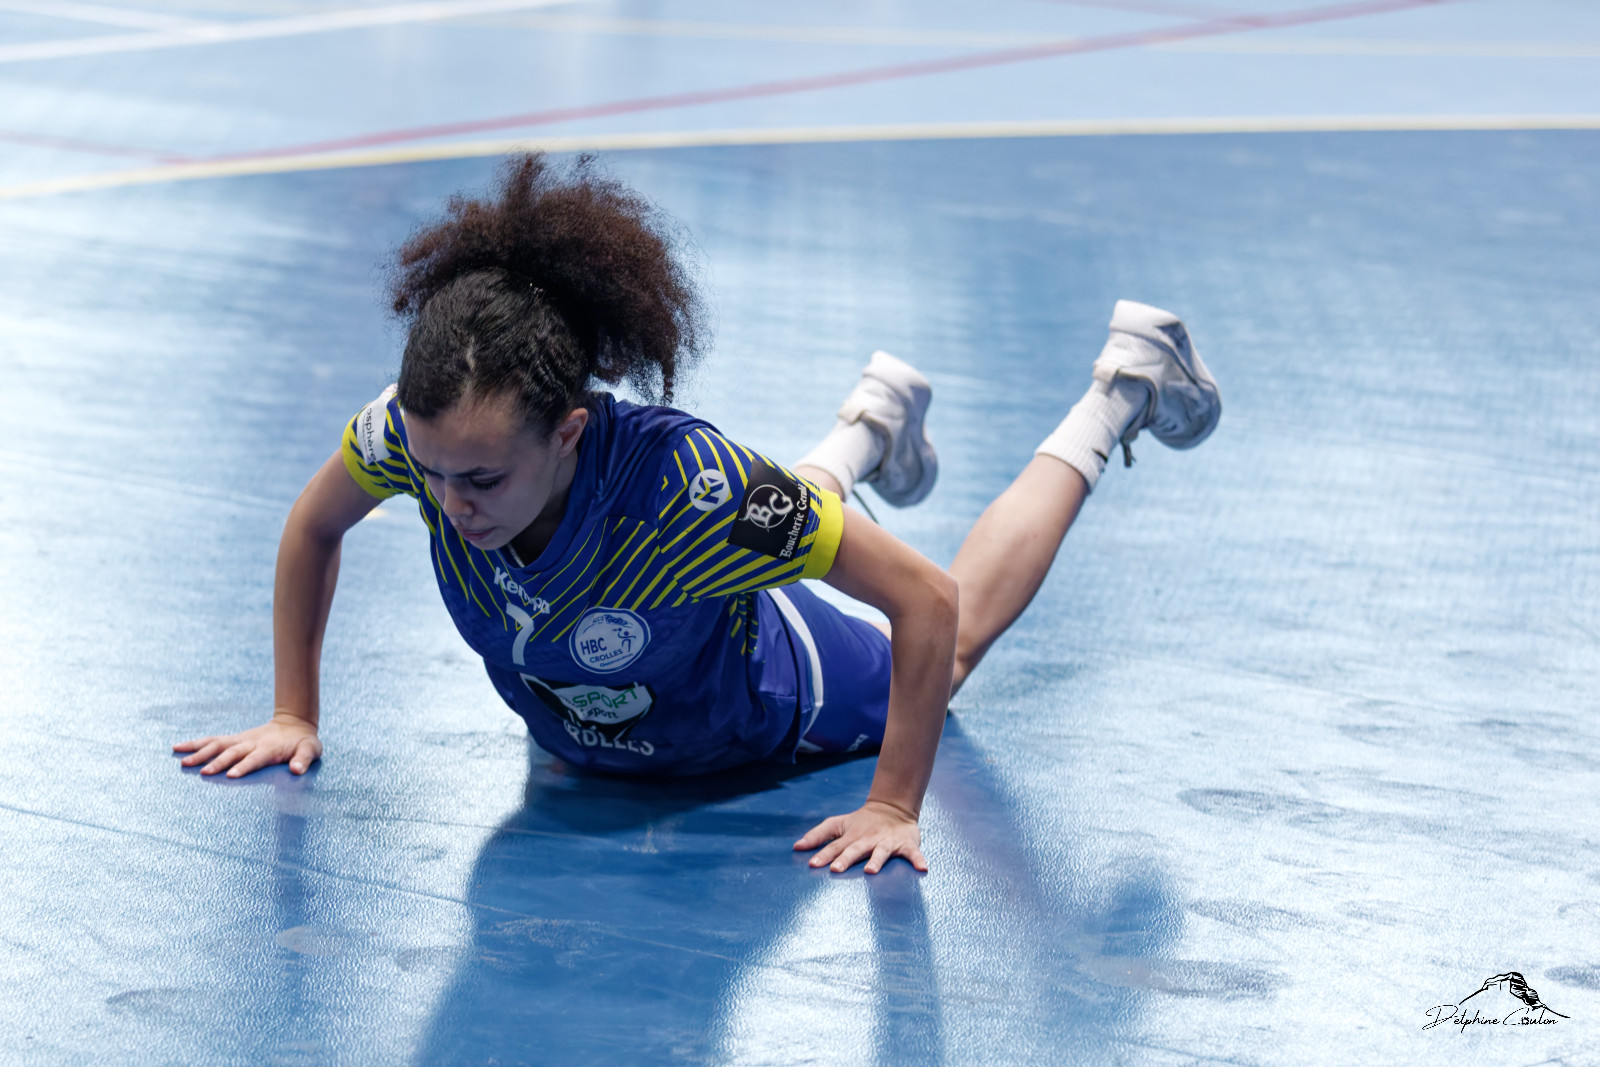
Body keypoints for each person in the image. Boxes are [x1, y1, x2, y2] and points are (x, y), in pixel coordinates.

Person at [174, 154, 1221, 875]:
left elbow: (928, 598)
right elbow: (313, 526)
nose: (451, 504)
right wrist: (294, 711)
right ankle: (871, 425)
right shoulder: (417, 434)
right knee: (780, 520)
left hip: (772, 695)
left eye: (482, 481)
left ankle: (1122, 385)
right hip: (621, 713)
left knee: (945, 654)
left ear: (569, 433)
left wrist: (893, 802)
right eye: (434, 475)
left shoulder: (691, 490)